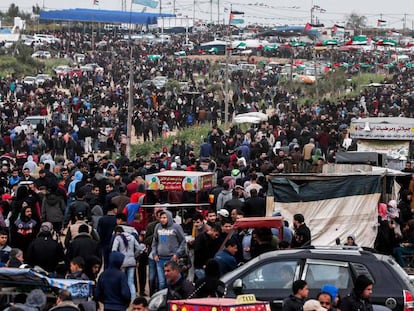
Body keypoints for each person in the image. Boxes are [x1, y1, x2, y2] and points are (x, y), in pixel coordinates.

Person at [151, 210, 186, 290]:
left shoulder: (176, 227)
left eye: (164, 217)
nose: (162, 219)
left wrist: (177, 254)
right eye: (161, 218)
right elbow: (155, 242)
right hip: (160, 259)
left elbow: (183, 241)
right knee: (162, 283)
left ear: (169, 217)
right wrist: (154, 254)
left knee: (173, 281)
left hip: (172, 259)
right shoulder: (158, 227)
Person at [112, 225, 145, 300]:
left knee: (122, 281)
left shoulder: (118, 238)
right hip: (131, 261)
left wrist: (117, 259)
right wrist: (134, 256)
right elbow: (139, 249)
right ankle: (133, 299)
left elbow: (114, 250)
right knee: (131, 281)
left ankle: (122, 297)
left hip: (122, 262)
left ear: (117, 232)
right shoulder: (132, 237)